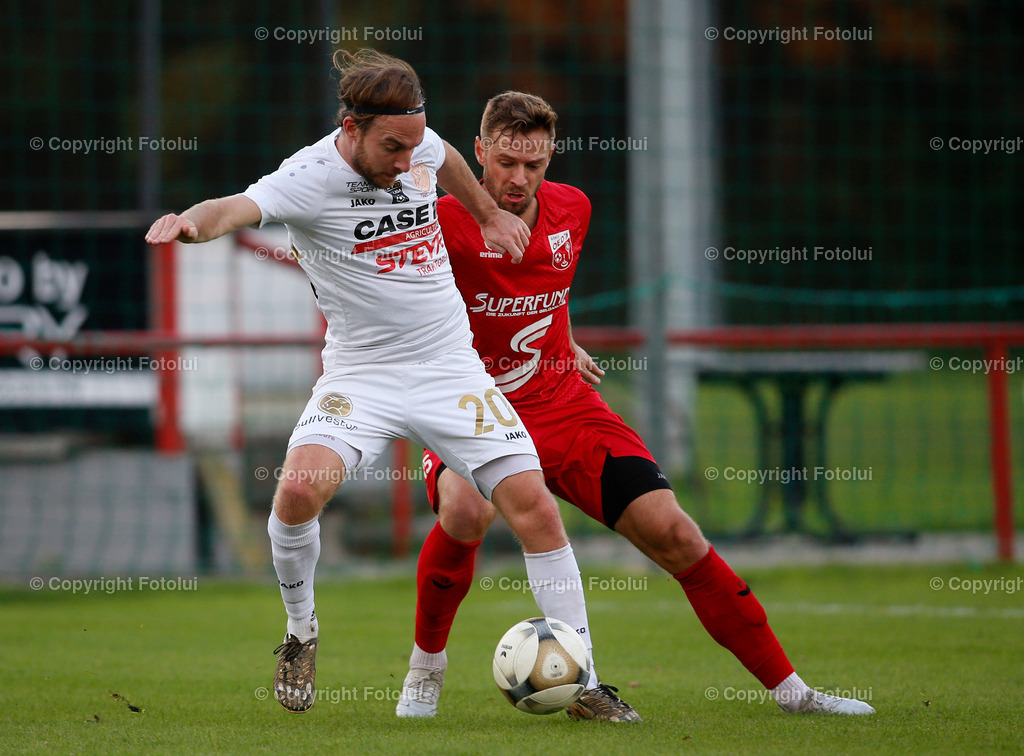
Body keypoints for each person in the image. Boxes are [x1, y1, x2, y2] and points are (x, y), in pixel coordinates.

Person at [145, 50, 603, 715]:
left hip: (449, 365)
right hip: (363, 373)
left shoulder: (415, 145)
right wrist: (193, 224)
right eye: (392, 147)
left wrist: (483, 212)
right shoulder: (307, 177)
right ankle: (301, 632)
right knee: (298, 490)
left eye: (413, 144)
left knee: (533, 504)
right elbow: (233, 207)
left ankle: (583, 683)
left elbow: (444, 156)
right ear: (352, 128)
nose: (405, 161)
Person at [396, 91, 876, 720]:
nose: (519, 179)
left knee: (675, 533)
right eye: (506, 161)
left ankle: (793, 693)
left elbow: (544, 286)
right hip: (471, 409)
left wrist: (561, 335)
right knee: (463, 512)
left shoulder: (574, 209)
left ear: (551, 159)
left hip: (563, 404)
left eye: (533, 165)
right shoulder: (440, 220)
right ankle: (426, 669)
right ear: (479, 152)